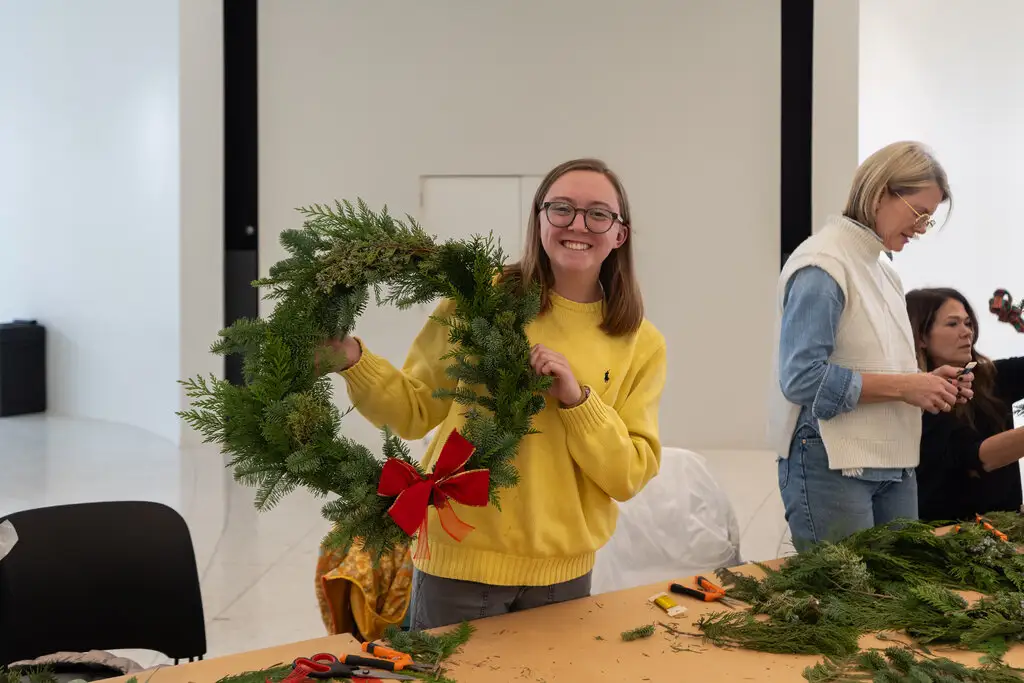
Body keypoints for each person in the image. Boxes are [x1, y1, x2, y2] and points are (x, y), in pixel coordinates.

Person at [326, 158, 667, 629]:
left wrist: (578, 402)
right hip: (459, 561)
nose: (578, 225)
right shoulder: (480, 302)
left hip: (562, 575)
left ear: (618, 234)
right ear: (540, 218)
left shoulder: (639, 341)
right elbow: (415, 410)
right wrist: (353, 359)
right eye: (562, 208)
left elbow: (628, 474)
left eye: (598, 214)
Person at [769, 141, 973, 551]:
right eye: (919, 214)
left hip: (893, 462)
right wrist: (906, 388)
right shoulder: (823, 265)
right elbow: (802, 379)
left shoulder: (884, 273)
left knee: (898, 605)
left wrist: (926, 383)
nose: (920, 228)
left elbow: (875, 367)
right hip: (833, 460)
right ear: (881, 192)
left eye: (927, 221)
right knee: (851, 608)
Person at [908, 287, 1024, 521]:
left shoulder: (992, 377)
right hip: (948, 538)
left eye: (968, 323)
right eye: (953, 324)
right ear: (921, 337)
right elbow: (977, 459)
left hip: (1007, 529)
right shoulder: (916, 396)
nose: (966, 333)